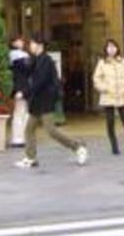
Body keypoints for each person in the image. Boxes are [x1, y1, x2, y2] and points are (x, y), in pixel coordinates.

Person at [16, 34, 88, 169]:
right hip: (37, 102)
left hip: (45, 101)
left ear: (40, 45)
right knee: (29, 129)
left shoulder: (46, 61)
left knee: (51, 131)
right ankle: (30, 158)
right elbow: (27, 73)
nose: (30, 46)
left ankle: (78, 147)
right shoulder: (35, 59)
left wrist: (24, 93)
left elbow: (39, 81)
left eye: (32, 43)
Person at [93, 39, 124, 155]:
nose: (111, 49)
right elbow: (96, 79)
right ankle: (114, 146)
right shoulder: (102, 63)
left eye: (113, 47)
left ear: (117, 48)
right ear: (106, 49)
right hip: (108, 96)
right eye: (109, 47)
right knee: (110, 122)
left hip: (121, 95)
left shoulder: (123, 62)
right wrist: (104, 88)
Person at [8, 35, 30, 147]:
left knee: (23, 112)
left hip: (22, 87)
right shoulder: (16, 56)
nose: (21, 42)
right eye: (18, 40)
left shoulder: (20, 56)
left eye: (21, 40)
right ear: (13, 43)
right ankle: (18, 138)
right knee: (20, 112)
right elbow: (27, 69)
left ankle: (21, 138)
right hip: (21, 87)